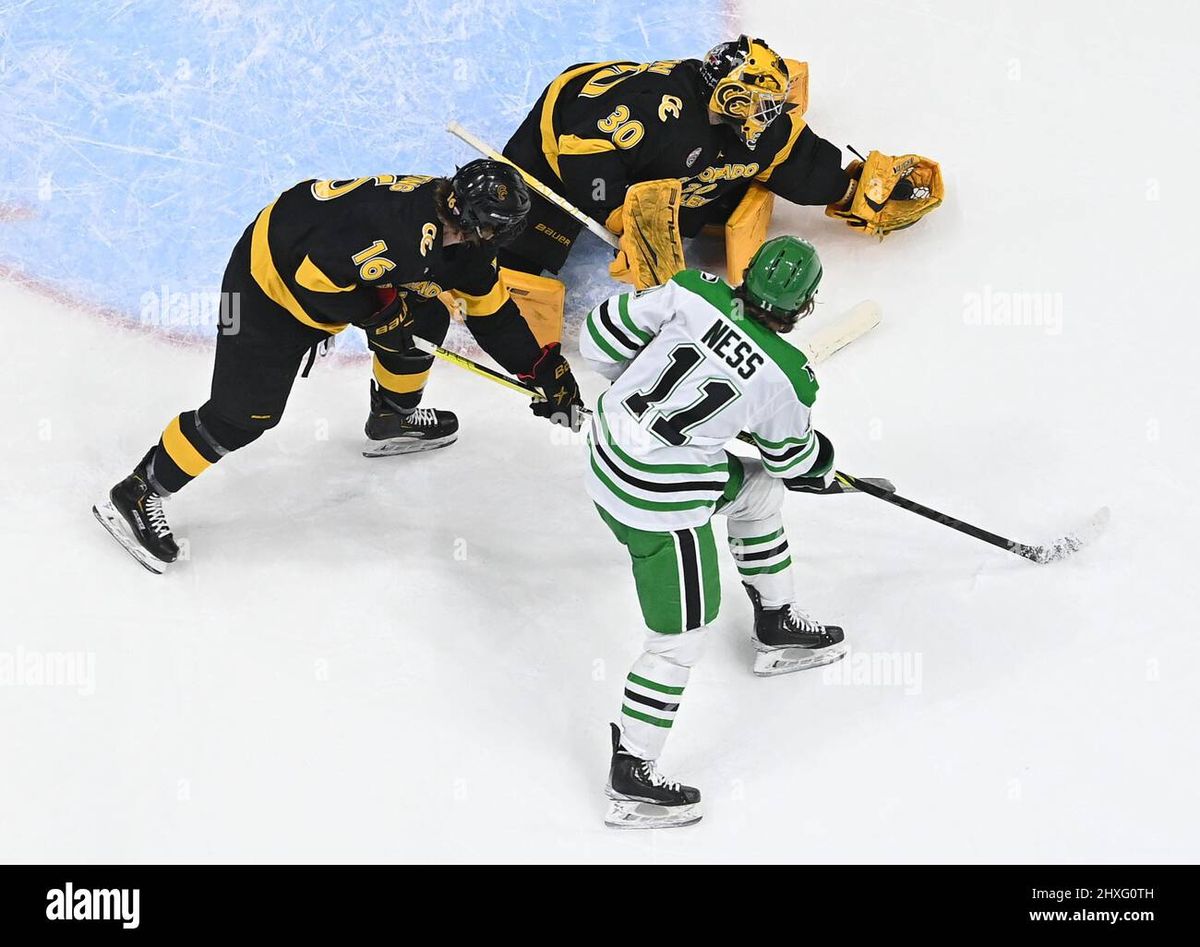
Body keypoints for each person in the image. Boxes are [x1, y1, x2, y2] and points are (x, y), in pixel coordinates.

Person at [94, 160, 583, 574]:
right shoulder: (401, 232)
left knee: (425, 318)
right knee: (246, 413)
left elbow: (492, 314)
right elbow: (315, 280)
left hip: (333, 262)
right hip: (270, 280)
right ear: (478, 220)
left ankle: (392, 417)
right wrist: (379, 314)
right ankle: (140, 489)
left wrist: (543, 371)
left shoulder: (461, 241)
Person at [580, 234, 846, 828]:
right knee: (678, 640)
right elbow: (795, 461)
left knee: (759, 492)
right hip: (659, 506)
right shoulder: (788, 378)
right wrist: (823, 463)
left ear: (746, 274)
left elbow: (597, 337)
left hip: (604, 460)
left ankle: (776, 624)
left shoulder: (692, 291)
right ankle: (633, 777)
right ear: (805, 306)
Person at [499, 36, 941, 308]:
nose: (771, 114)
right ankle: (493, 273)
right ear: (731, 97)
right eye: (764, 105)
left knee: (716, 180)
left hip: (653, 150)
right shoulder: (658, 113)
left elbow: (789, 155)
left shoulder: (744, 121)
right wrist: (617, 213)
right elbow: (584, 148)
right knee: (519, 236)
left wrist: (847, 187)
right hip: (559, 144)